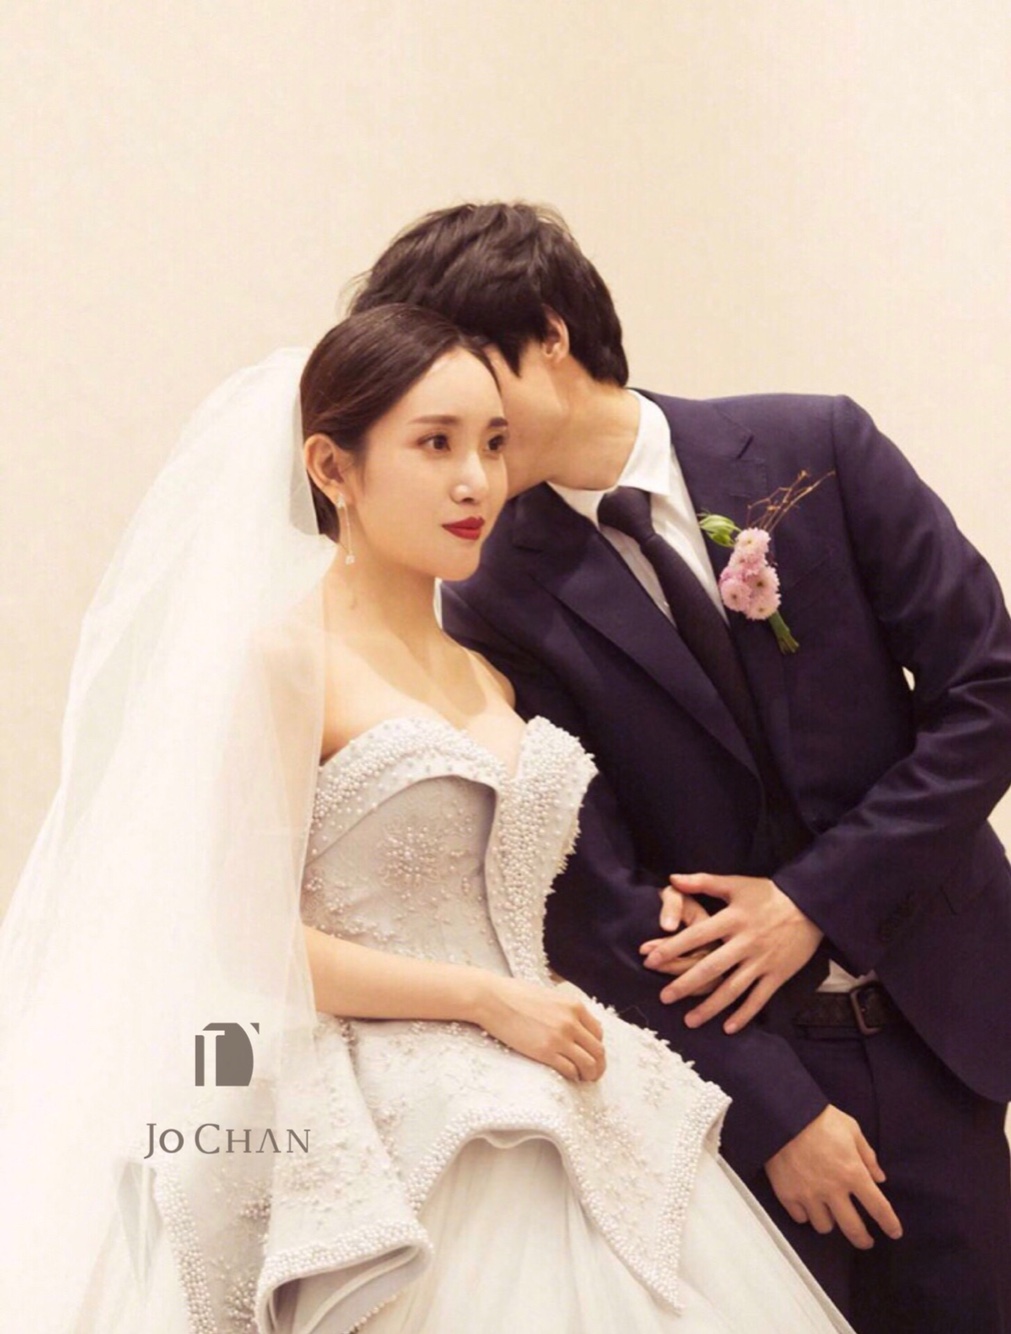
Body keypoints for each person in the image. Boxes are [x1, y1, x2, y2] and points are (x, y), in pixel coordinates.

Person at [0, 304, 850, 1331]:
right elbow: (240, 940)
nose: (475, 480)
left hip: (554, 1081)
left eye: (491, 443)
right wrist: (485, 1001)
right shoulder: (285, 660)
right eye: (434, 444)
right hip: (375, 1112)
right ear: (333, 467)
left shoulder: (489, 671)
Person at [350, 203, 1011, 1334]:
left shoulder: (814, 446)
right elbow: (588, 890)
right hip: (741, 1080)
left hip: (939, 1016)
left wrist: (813, 899)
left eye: (469, 383)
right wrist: (774, 1110)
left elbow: (986, 690)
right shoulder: (494, 598)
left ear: (550, 334)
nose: (462, 443)